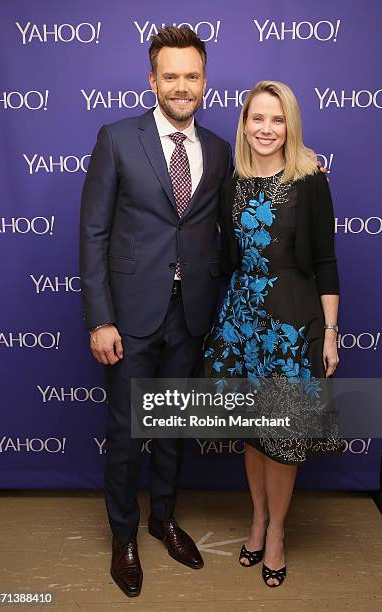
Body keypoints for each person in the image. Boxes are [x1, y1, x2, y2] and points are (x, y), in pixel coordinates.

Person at [79, 26, 232, 597]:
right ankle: (124, 536)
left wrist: (307, 167)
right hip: (128, 317)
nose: (182, 86)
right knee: (125, 434)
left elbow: (257, 193)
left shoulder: (217, 150)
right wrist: (99, 318)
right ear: (152, 80)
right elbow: (92, 232)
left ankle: (163, 519)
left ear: (204, 81)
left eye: (192, 76)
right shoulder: (117, 138)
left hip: (189, 315)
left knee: (171, 428)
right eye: (171, 76)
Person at [204, 81, 345, 587]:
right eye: (257, 118)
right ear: (244, 124)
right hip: (244, 322)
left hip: (293, 323)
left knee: (283, 436)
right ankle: (257, 520)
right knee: (254, 435)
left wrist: (329, 333)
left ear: (290, 125)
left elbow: (326, 262)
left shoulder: (310, 182)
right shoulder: (231, 182)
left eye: (277, 119)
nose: (267, 129)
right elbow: (226, 261)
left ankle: (278, 531)